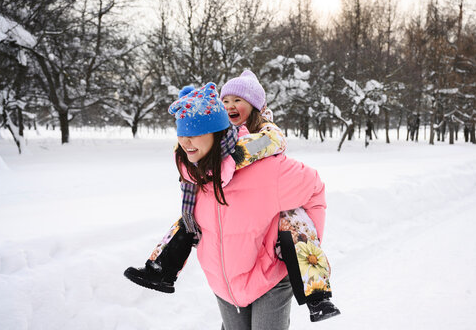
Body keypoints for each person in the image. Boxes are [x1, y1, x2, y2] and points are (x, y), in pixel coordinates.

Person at [124, 73, 340, 323]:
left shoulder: (266, 160)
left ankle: (316, 292)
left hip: (267, 276)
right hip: (224, 282)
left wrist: (298, 242)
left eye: (238, 100)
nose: (230, 106)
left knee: (294, 220)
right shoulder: (196, 173)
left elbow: (314, 188)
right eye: (225, 101)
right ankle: (160, 270)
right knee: (187, 220)